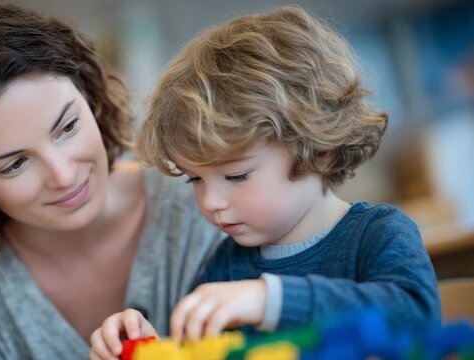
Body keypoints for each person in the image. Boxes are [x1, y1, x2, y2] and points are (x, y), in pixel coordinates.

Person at [90, 6, 441, 359]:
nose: (211, 201)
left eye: (236, 176)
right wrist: (156, 347)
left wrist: (270, 300)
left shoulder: (378, 235)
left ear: (318, 150)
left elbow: (417, 317)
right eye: (195, 178)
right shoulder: (224, 269)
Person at [0, 3, 222, 359]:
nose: (63, 176)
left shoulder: (200, 198)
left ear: (90, 98)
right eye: (14, 165)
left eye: (68, 127)